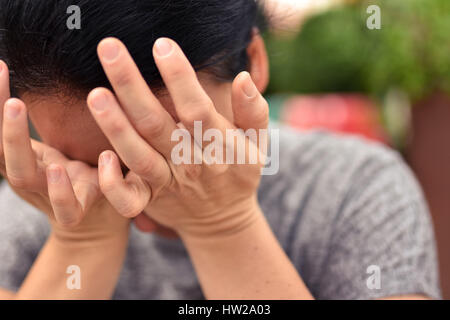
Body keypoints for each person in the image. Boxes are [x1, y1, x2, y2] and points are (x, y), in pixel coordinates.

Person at [0, 0, 440, 300]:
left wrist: (223, 226)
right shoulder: (34, 210)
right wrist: (81, 242)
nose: (133, 193)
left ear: (255, 61)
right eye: (91, 164)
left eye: (174, 149)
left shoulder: (355, 190)